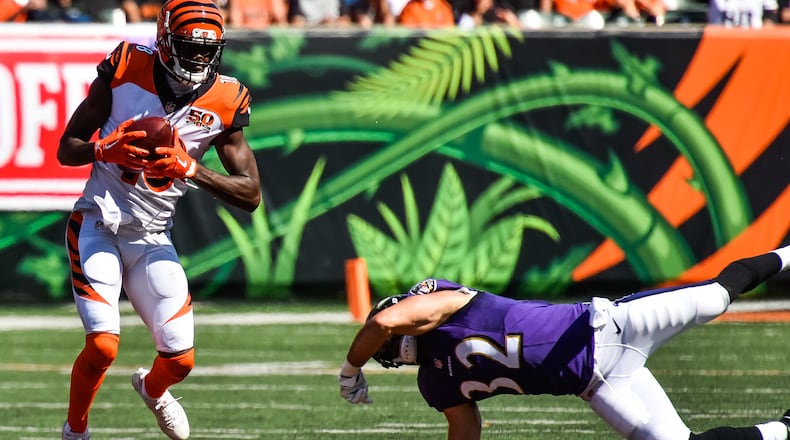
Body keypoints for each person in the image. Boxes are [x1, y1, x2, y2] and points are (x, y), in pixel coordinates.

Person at [56, 0, 261, 438]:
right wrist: (101, 149)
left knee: (180, 359)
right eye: (190, 47)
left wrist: (193, 169)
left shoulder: (225, 98)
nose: (200, 59)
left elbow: (251, 194)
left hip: (152, 236)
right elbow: (66, 147)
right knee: (103, 345)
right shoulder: (127, 65)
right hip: (99, 221)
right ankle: (75, 431)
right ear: (165, 41)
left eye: (208, 50)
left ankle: (152, 390)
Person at [339, 245, 790, 440]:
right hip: (597, 384)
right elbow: (465, 430)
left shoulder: (449, 304)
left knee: (716, 296)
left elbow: (385, 323)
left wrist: (350, 368)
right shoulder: (435, 384)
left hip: (610, 326)